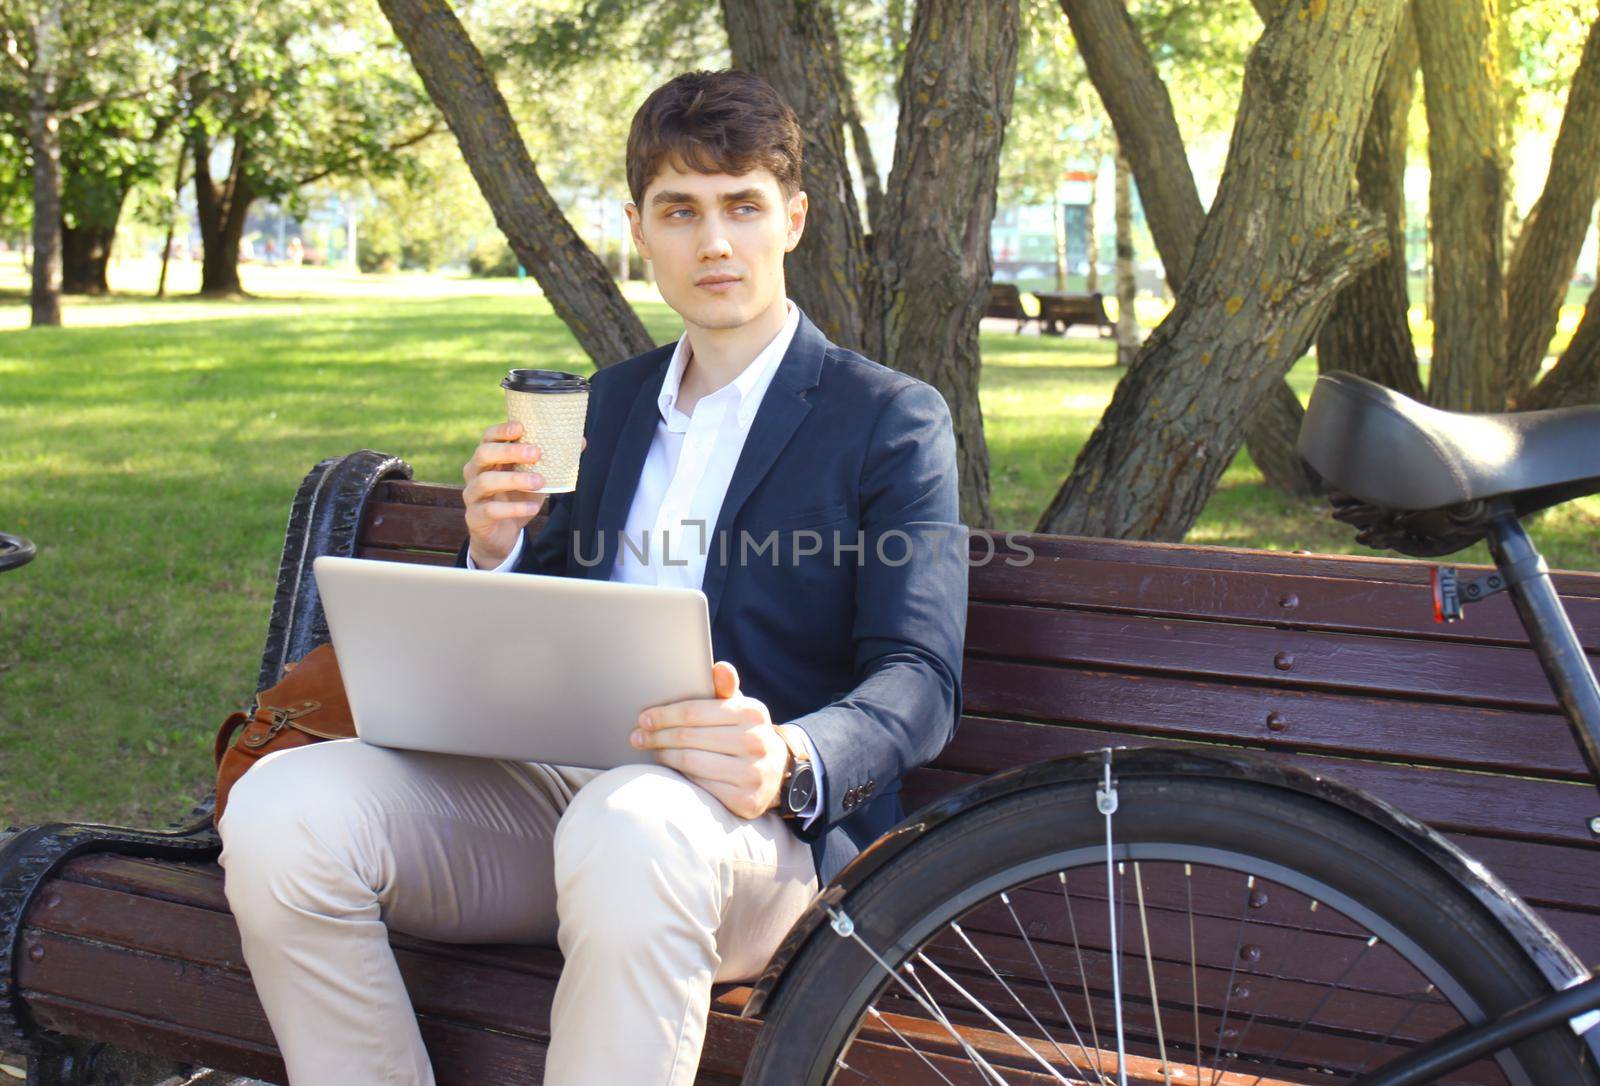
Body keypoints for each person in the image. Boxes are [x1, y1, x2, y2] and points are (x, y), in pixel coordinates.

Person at [217, 68, 967, 1086]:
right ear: (638, 228)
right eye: (681, 211)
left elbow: (919, 678)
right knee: (284, 811)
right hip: (558, 802)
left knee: (628, 828)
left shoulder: (887, 419)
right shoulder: (599, 410)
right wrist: (494, 549)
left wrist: (788, 757)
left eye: (742, 206)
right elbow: (518, 645)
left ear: (791, 218)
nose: (714, 242)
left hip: (755, 842)